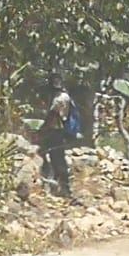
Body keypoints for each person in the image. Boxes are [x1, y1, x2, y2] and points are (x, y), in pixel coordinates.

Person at [37, 72, 78, 200]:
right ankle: (57, 185)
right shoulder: (58, 96)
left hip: (56, 131)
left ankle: (64, 187)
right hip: (55, 130)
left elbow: (53, 116)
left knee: (57, 158)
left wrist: (42, 130)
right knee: (54, 157)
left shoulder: (60, 98)